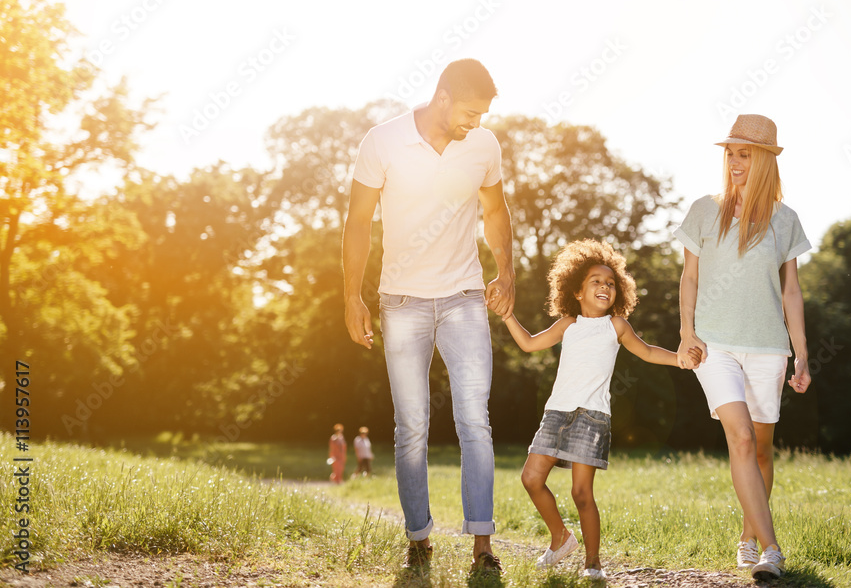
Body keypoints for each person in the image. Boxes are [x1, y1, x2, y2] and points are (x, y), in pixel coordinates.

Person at [342, 59, 514, 574]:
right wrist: (351, 296)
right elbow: (356, 223)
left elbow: (496, 211)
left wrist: (506, 271)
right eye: (469, 112)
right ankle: (419, 538)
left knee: (474, 421)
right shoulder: (382, 141)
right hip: (401, 303)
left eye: (483, 114)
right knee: (411, 426)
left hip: (464, 296)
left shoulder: (484, 146)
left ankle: (483, 547)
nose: (476, 123)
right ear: (443, 97)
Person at [503, 239, 701, 580]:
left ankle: (592, 563)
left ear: (618, 291)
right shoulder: (568, 323)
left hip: (592, 417)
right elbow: (529, 343)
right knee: (531, 479)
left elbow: (649, 351)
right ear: (577, 291)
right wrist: (507, 314)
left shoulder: (617, 325)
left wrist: (679, 359)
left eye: (610, 283)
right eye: (596, 280)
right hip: (556, 413)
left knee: (582, 493)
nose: (604, 286)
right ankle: (561, 538)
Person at [673, 114, 811, 581]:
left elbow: (791, 291)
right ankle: (773, 549)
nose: (734, 161)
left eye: (744, 154)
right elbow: (689, 277)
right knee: (741, 436)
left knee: (762, 449)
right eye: (730, 152)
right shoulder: (703, 211)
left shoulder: (786, 221)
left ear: (766, 160)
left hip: (769, 346)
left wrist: (803, 353)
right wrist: (686, 332)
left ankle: (749, 538)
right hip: (715, 347)